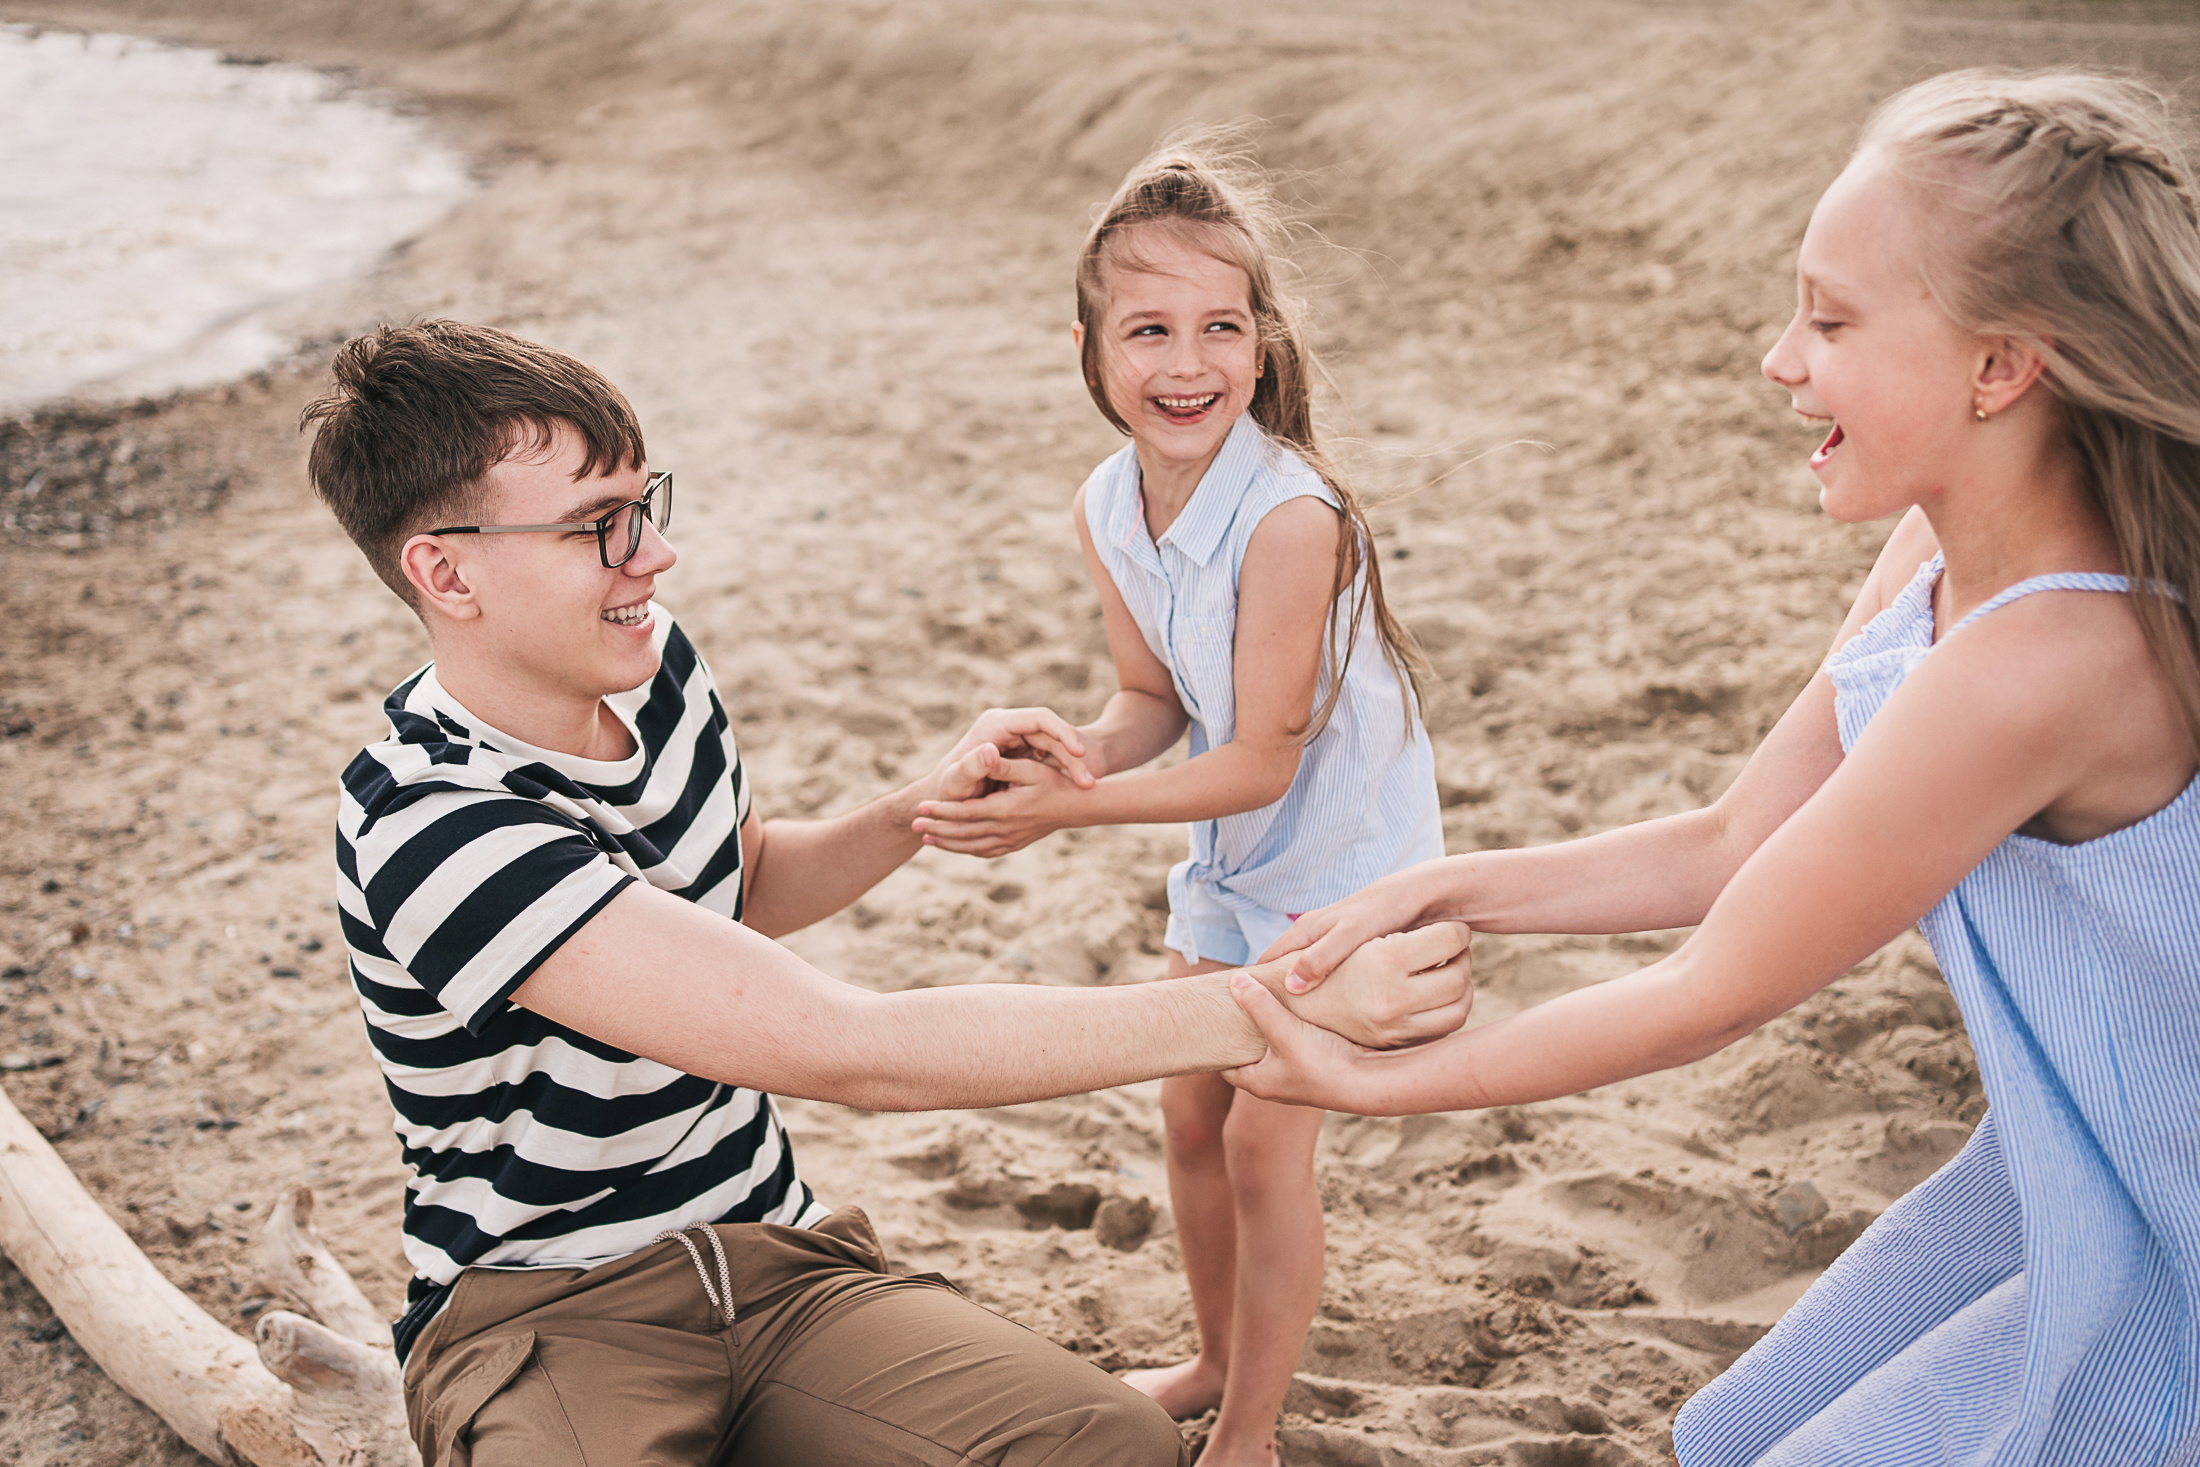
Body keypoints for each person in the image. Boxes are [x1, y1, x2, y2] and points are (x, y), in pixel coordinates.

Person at [1223, 70, 2200, 1466]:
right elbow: (1732, 840)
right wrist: (1439, 887)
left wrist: (1366, 1083)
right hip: (2068, 1158)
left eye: (1831, 320)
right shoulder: (1935, 555)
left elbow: (1710, 990)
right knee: (1727, 1435)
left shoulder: (2044, 663)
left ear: (1999, 367)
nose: (1778, 359)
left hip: (2163, 1221)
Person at [301, 319, 1476, 1467]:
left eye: (644, 505)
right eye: (595, 527)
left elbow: (740, 885)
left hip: (773, 1258)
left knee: (1106, 1440)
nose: (650, 556)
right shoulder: (429, 823)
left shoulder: (649, 668)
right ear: (445, 572)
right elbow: (853, 1051)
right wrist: (1280, 1003)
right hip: (546, 1316)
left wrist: (920, 807)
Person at [912, 139, 1442, 1467]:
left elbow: (1261, 758)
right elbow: (1150, 697)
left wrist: (1068, 818)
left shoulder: (1292, 519)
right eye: (1147, 329)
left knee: (1264, 1141)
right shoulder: (1108, 502)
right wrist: (1073, 756)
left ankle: (1248, 1430)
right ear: (1091, 353)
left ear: (1261, 348)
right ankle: (1211, 1357)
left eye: (1220, 326)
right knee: (1189, 1114)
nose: (1186, 361)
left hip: (1348, 865)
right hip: (1230, 859)